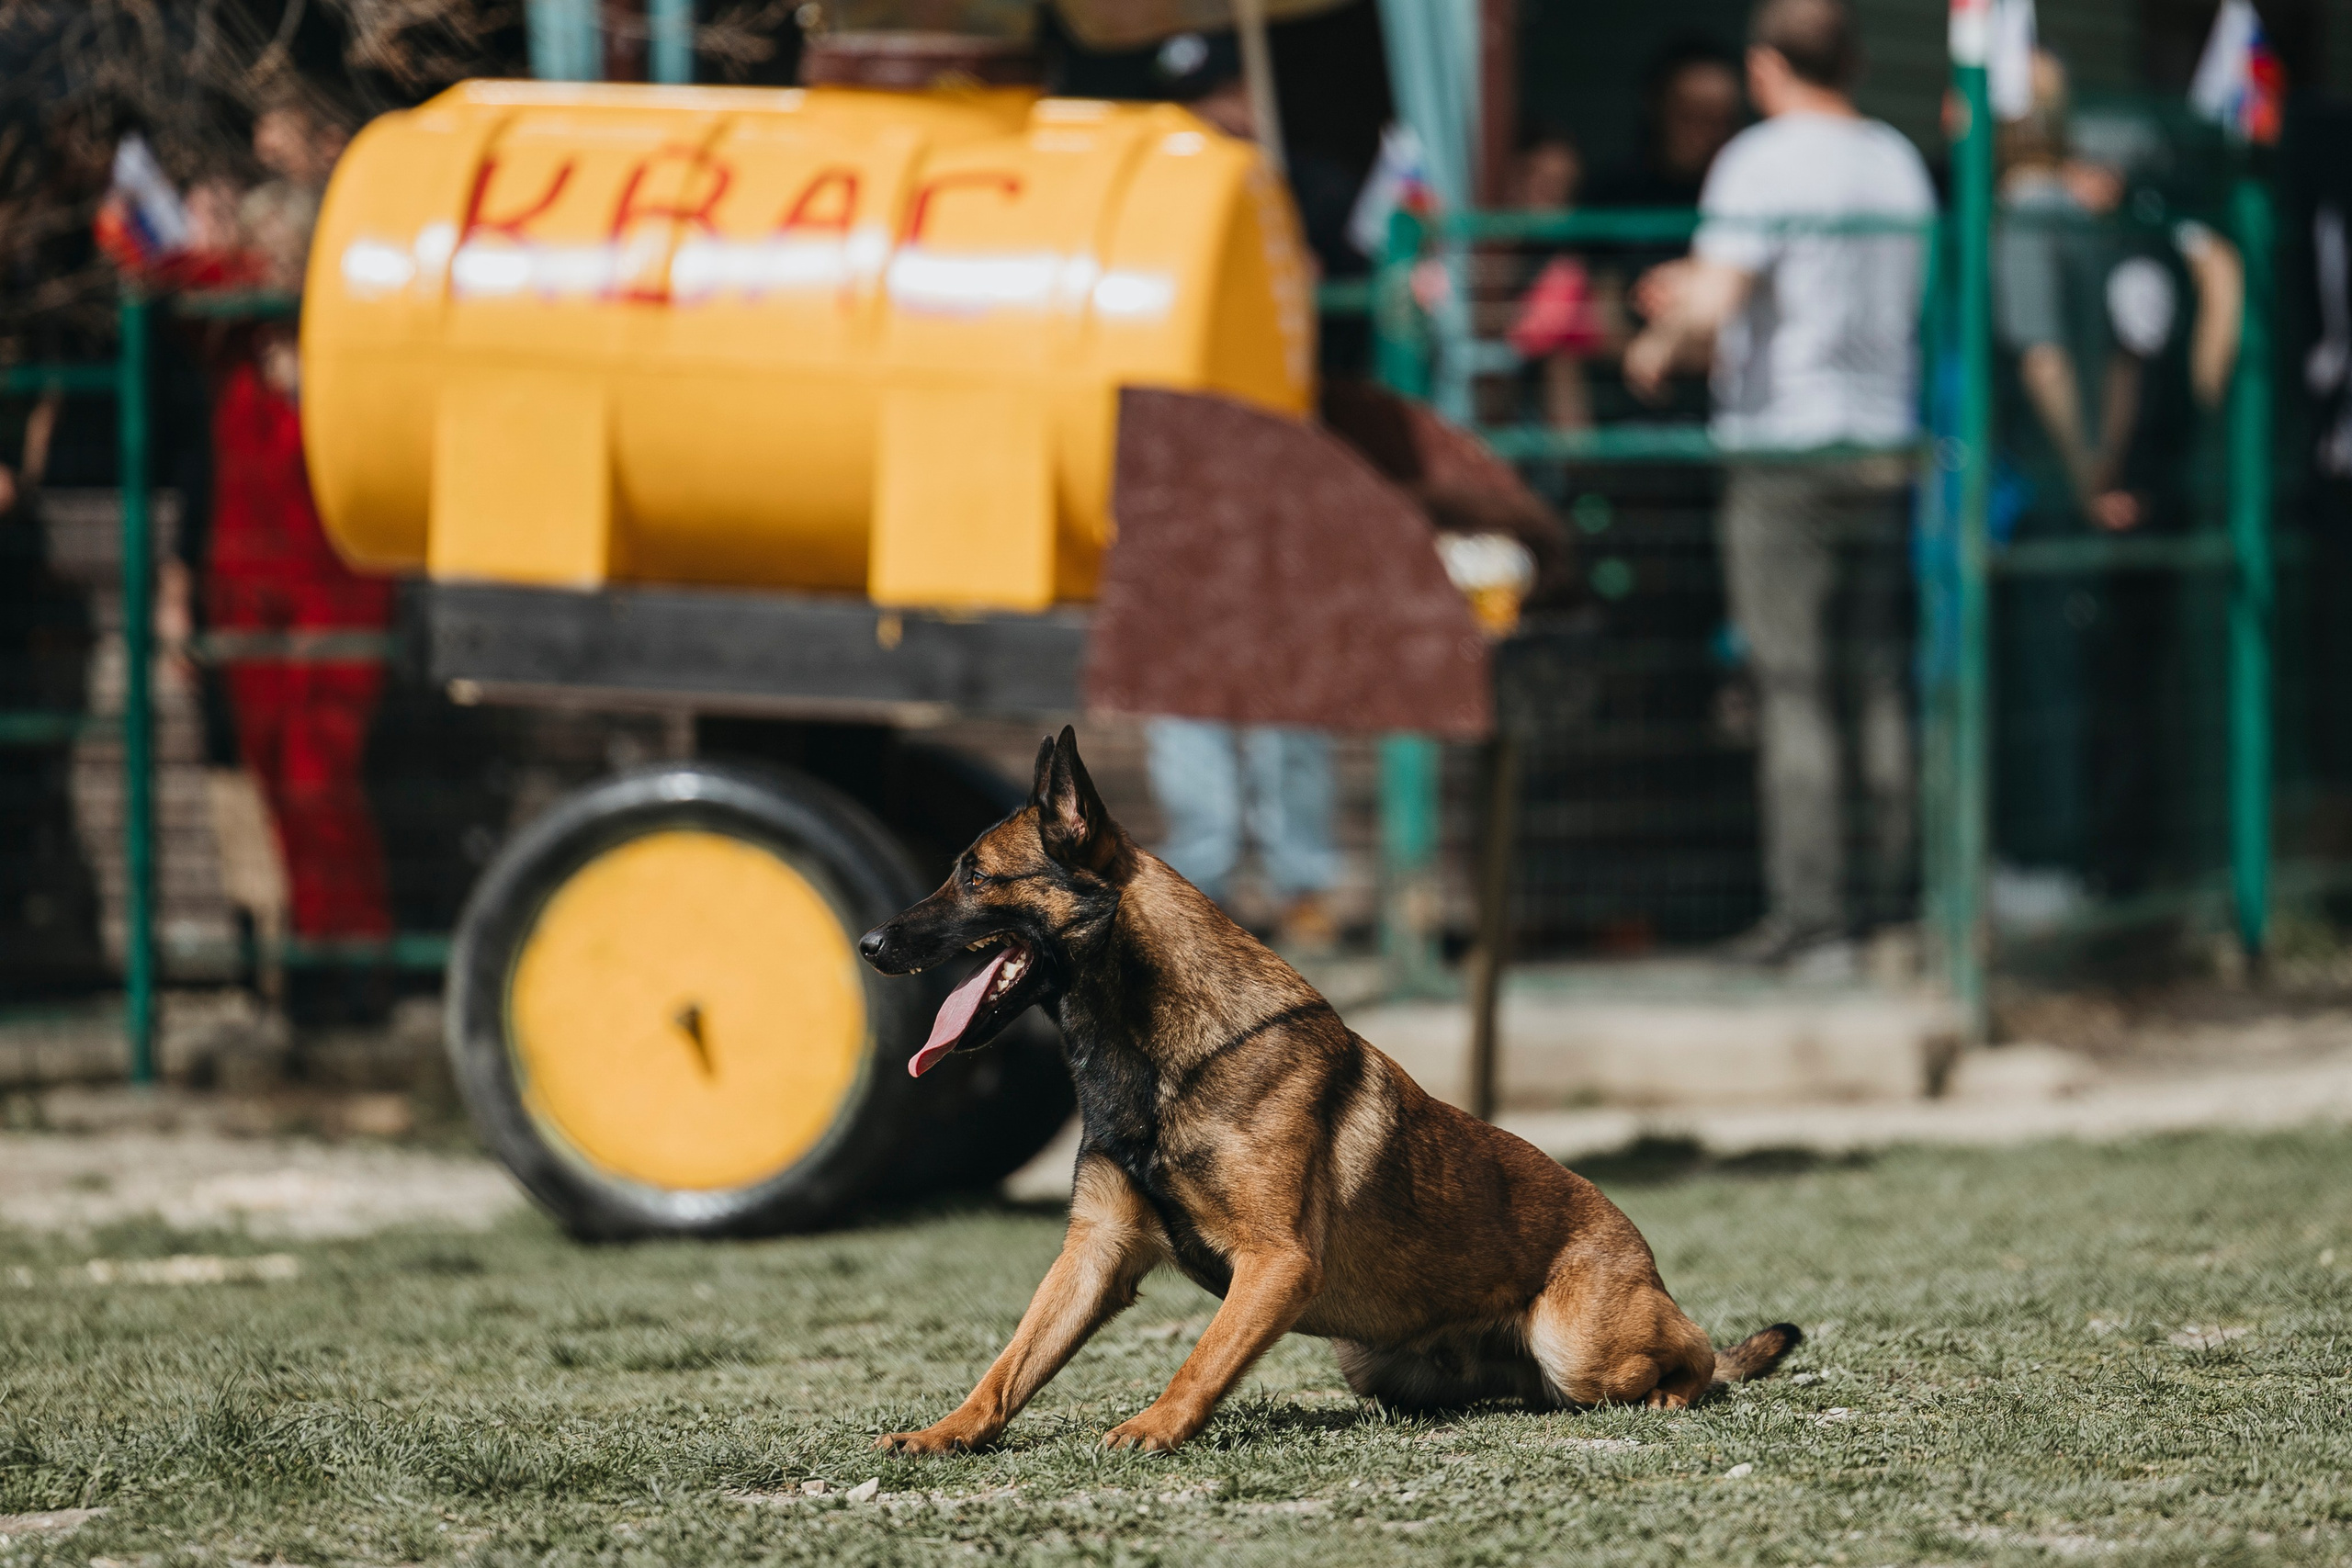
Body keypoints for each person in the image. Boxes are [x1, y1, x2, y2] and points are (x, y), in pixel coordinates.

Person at [1623, 0, 1935, 965]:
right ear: (1854, 62)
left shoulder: (1759, 162)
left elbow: (1719, 303)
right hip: (1883, 441)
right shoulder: (1896, 160)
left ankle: (1813, 917)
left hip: (1785, 449)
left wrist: (1660, 335)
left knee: (1792, 686)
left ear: (1764, 69)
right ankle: (1895, 908)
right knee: (1877, 682)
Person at [1142, 36, 1345, 951]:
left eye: (1227, 95)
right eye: (1199, 103)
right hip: (1178, 464)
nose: (1220, 117)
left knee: (1286, 683)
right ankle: (1209, 882)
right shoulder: (1154, 191)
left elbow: (1373, 276)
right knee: (1186, 680)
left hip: (1285, 465)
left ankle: (1303, 882)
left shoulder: (1305, 187)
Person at [201, 95, 396, 1017]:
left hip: (334, 591)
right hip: (249, 591)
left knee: (322, 772)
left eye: (279, 249)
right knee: (275, 771)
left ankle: (351, 952)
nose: (265, 264)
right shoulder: (237, 361)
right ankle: (310, 953)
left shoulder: (346, 364)